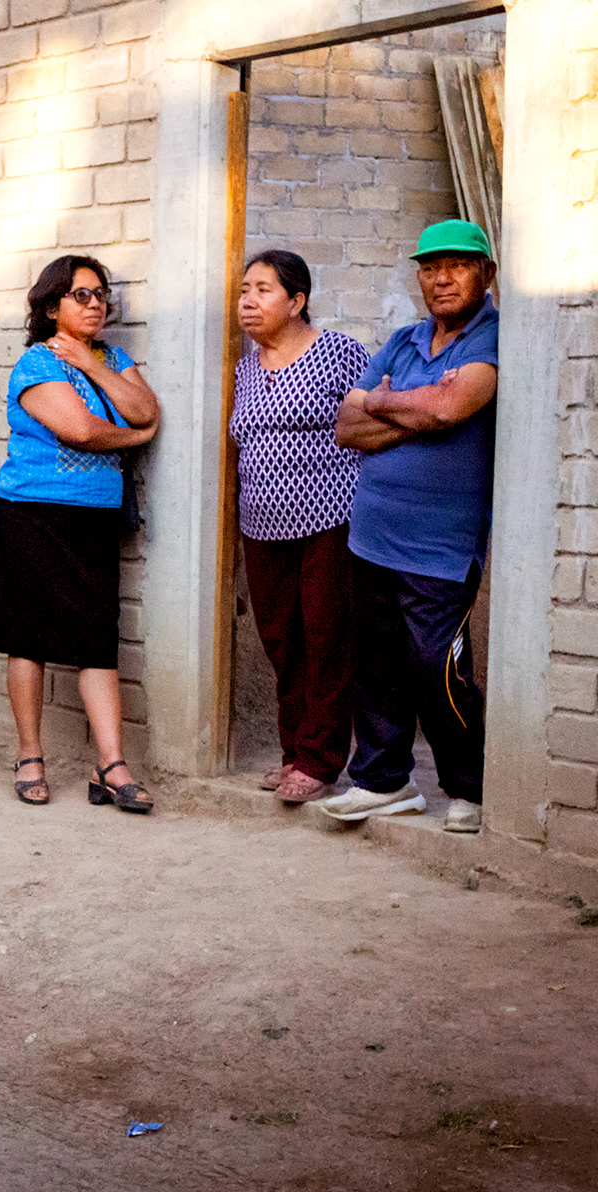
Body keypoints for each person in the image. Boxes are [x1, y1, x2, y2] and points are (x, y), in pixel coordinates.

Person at [318, 220, 500, 835]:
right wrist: (409, 411)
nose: (441, 278)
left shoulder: (494, 337)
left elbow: (450, 407)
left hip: (441, 548)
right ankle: (383, 781)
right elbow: (347, 427)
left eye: (457, 265)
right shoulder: (403, 339)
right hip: (371, 536)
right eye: (429, 267)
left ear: (486, 273)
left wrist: (384, 402)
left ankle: (468, 787)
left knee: (436, 669)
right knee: (375, 666)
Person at [0, 254, 161, 813]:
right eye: (81, 295)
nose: (95, 303)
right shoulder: (36, 362)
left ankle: (111, 765)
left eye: (101, 294)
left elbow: (146, 407)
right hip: (32, 512)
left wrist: (94, 367)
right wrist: (136, 437)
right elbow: (80, 430)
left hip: (94, 515)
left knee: (97, 638)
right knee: (27, 636)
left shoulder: (113, 358)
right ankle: (30, 756)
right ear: (53, 307)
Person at [231, 250, 371, 804]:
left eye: (262, 289)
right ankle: (294, 751)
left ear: (296, 301)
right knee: (281, 642)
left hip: (330, 521)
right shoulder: (244, 368)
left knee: (326, 638)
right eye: (244, 290)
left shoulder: (339, 353)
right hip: (261, 526)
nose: (248, 301)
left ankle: (319, 760)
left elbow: (371, 422)